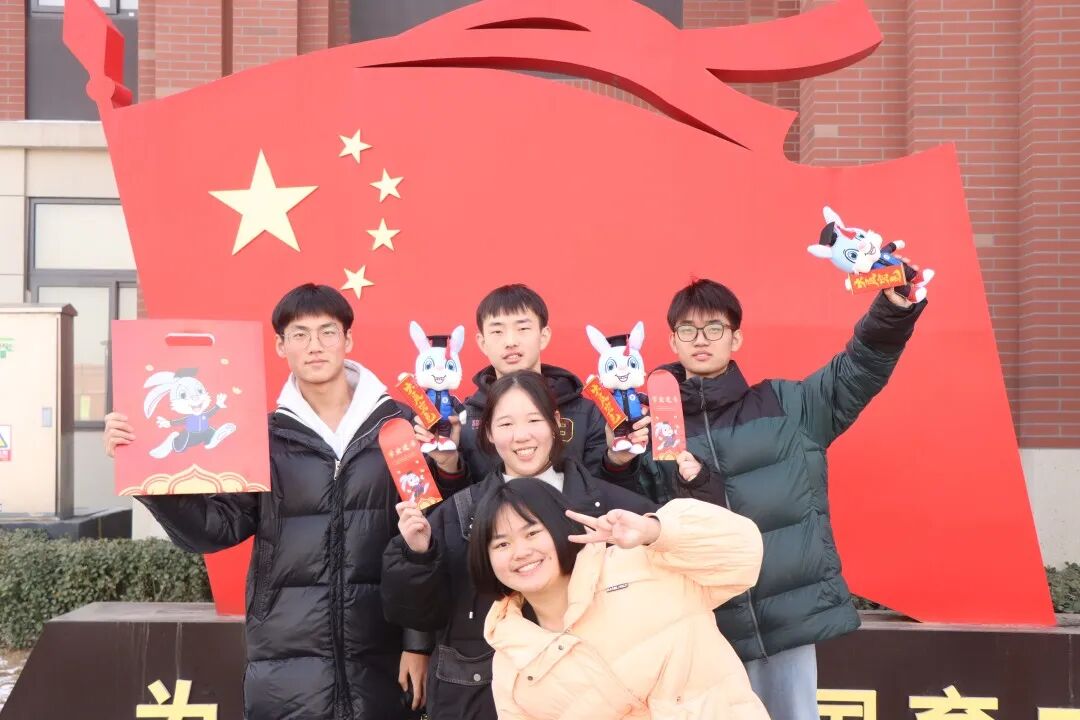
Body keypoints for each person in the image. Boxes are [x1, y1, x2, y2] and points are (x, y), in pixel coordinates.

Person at [104, 283, 428, 720]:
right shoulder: (261, 436)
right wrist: (146, 474)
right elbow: (215, 529)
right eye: (299, 334)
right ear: (280, 346)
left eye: (327, 332)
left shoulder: (398, 426)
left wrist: (418, 643)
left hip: (382, 655)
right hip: (283, 661)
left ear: (348, 340)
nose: (315, 346)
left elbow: (424, 541)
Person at [637, 278, 926, 720]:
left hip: (786, 623)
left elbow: (856, 370)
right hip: (704, 628)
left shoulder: (786, 405)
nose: (701, 339)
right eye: (688, 329)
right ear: (673, 340)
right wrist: (620, 459)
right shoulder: (651, 428)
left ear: (736, 338)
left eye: (714, 328)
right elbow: (636, 512)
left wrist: (892, 312)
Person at [382, 370, 656, 720]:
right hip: (481, 699)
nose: (521, 435)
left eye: (534, 420)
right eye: (506, 424)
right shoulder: (456, 514)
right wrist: (417, 556)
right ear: (488, 432)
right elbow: (417, 613)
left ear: (556, 424)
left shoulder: (614, 508)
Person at [472, 477, 767, 720]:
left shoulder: (642, 562)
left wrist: (656, 532)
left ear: (559, 526)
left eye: (532, 533)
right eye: (502, 544)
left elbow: (743, 553)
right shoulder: (510, 658)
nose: (521, 552)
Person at [416, 284, 647, 496]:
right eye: (497, 331)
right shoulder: (461, 420)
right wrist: (448, 464)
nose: (510, 341)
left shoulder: (588, 414)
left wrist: (617, 461)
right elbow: (454, 514)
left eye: (523, 328)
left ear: (543, 336)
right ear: (482, 342)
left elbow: (606, 501)